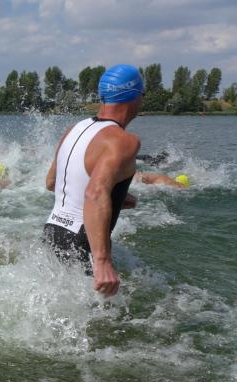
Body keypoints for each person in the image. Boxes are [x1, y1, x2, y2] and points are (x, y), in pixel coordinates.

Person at [43, 64, 144, 297]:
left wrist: (116, 197)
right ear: (134, 96)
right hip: (82, 241)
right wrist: (102, 261)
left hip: (52, 232)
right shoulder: (124, 140)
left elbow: (52, 182)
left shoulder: (74, 129)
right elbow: (95, 193)